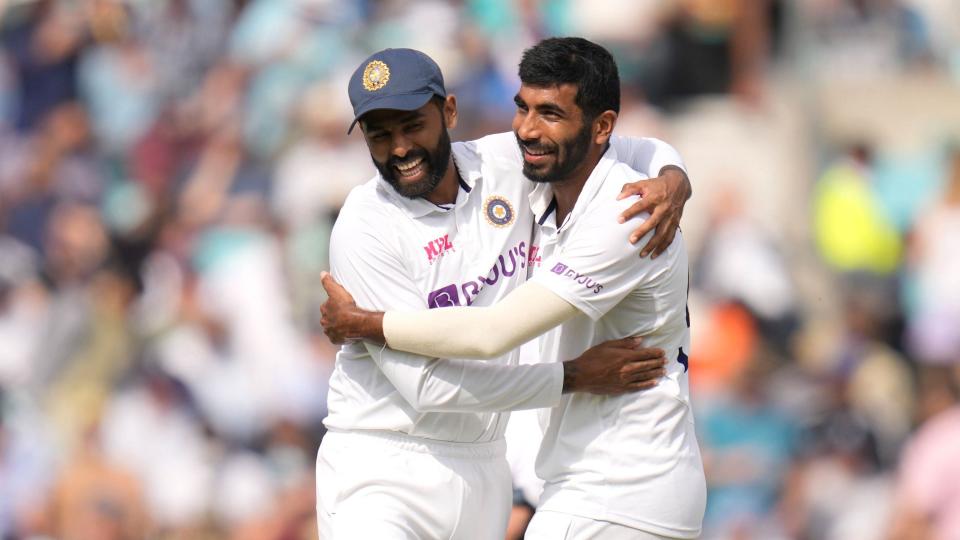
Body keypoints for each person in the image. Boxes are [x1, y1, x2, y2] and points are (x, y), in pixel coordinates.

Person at [320, 38, 705, 539]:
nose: (399, 149)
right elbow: (427, 387)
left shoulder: (511, 164)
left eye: (413, 125)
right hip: (383, 465)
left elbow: (623, 145)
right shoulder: (365, 226)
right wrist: (569, 377)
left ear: (449, 112)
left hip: (496, 468)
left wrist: (675, 177)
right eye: (378, 134)